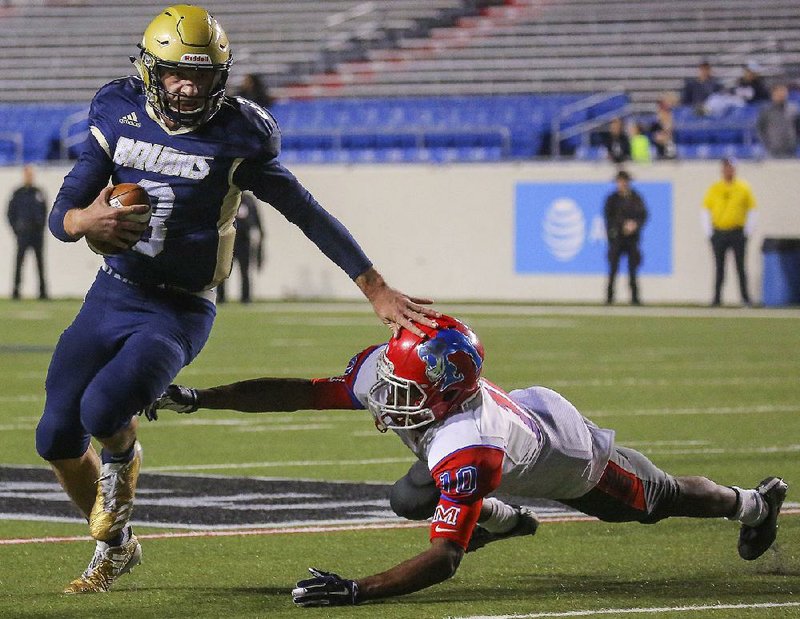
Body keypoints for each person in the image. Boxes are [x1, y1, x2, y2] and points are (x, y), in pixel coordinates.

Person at [36, 4, 438, 595]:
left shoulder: (239, 134)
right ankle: (118, 548)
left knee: (102, 410)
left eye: (201, 74)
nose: (188, 85)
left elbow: (306, 212)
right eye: (176, 72)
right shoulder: (117, 110)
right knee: (54, 437)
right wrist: (83, 220)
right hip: (113, 291)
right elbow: (62, 210)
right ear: (150, 68)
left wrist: (372, 286)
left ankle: (119, 480)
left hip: (179, 308)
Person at [143, 315, 788, 607]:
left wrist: (356, 591)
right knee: (407, 498)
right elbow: (302, 393)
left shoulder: (467, 441)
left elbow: (445, 559)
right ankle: (502, 517)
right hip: (508, 433)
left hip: (567, 454)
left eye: (404, 395)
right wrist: (203, 398)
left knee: (658, 501)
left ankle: (752, 503)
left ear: (443, 396)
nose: (385, 403)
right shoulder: (403, 375)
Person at [701, 158, 757, 307]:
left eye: (730, 168)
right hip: (719, 232)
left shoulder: (743, 187)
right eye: (726, 167)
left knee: (740, 267)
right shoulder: (715, 188)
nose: (728, 170)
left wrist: (748, 231)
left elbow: (752, 210)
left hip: (737, 232)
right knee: (719, 267)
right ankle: (717, 299)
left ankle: (745, 299)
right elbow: (706, 210)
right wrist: (709, 233)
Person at [604, 170, 647, 305]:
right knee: (613, 269)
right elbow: (609, 218)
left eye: (624, 181)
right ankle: (609, 297)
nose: (622, 184)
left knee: (632, 269)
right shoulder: (612, 199)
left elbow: (643, 215)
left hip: (632, 239)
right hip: (617, 238)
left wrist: (634, 225)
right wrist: (622, 225)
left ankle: (635, 298)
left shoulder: (636, 198)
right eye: (619, 181)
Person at [6, 164, 49, 300]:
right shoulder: (17, 193)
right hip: (23, 234)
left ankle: (43, 292)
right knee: (19, 263)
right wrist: (17, 229)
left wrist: (41, 227)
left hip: (37, 234)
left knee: (40, 263)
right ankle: (16, 291)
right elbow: (10, 213)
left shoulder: (39, 192)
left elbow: (45, 212)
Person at [217, 191, 264, 303]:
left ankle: (246, 297)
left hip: (244, 242)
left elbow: (256, 219)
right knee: (224, 271)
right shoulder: (227, 198)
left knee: (245, 271)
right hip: (228, 242)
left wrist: (261, 234)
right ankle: (221, 297)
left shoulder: (248, 200)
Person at [757, 83, 799, 158]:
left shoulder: (794, 109)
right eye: (779, 92)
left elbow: (798, 127)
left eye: (783, 91)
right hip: (773, 149)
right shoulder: (766, 111)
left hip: (791, 149)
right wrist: (767, 143)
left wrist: (796, 141)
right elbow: (760, 128)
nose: (782, 94)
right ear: (773, 94)